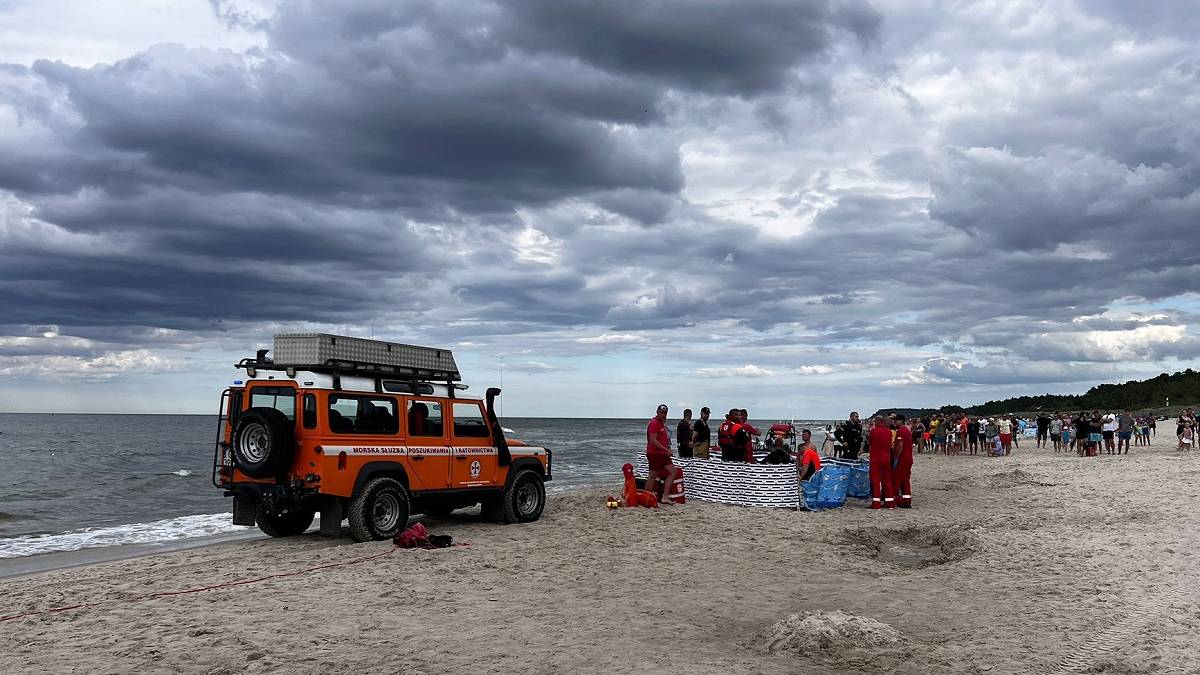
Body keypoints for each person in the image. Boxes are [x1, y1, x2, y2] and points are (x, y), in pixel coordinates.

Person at [645, 404, 678, 505]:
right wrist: (665, 449)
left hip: (663, 454)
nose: (663, 414)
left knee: (673, 472)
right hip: (654, 454)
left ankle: (665, 497)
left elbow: (664, 439)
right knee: (652, 476)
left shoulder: (662, 423)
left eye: (665, 413)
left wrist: (668, 448)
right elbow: (652, 440)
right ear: (657, 412)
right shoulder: (654, 423)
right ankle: (647, 497)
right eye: (661, 412)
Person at [867, 416, 896, 509]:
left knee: (875, 481)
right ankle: (890, 503)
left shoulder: (874, 431)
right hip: (886, 458)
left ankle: (876, 503)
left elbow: (870, 442)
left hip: (876, 459)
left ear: (877, 422)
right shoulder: (889, 432)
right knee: (887, 481)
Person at [892, 415, 914, 508]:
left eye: (895, 421)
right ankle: (906, 501)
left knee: (897, 479)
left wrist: (896, 458)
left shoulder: (901, 431)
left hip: (903, 459)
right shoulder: (907, 431)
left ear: (900, 421)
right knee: (905, 480)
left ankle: (893, 500)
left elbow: (900, 446)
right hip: (908, 458)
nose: (894, 422)